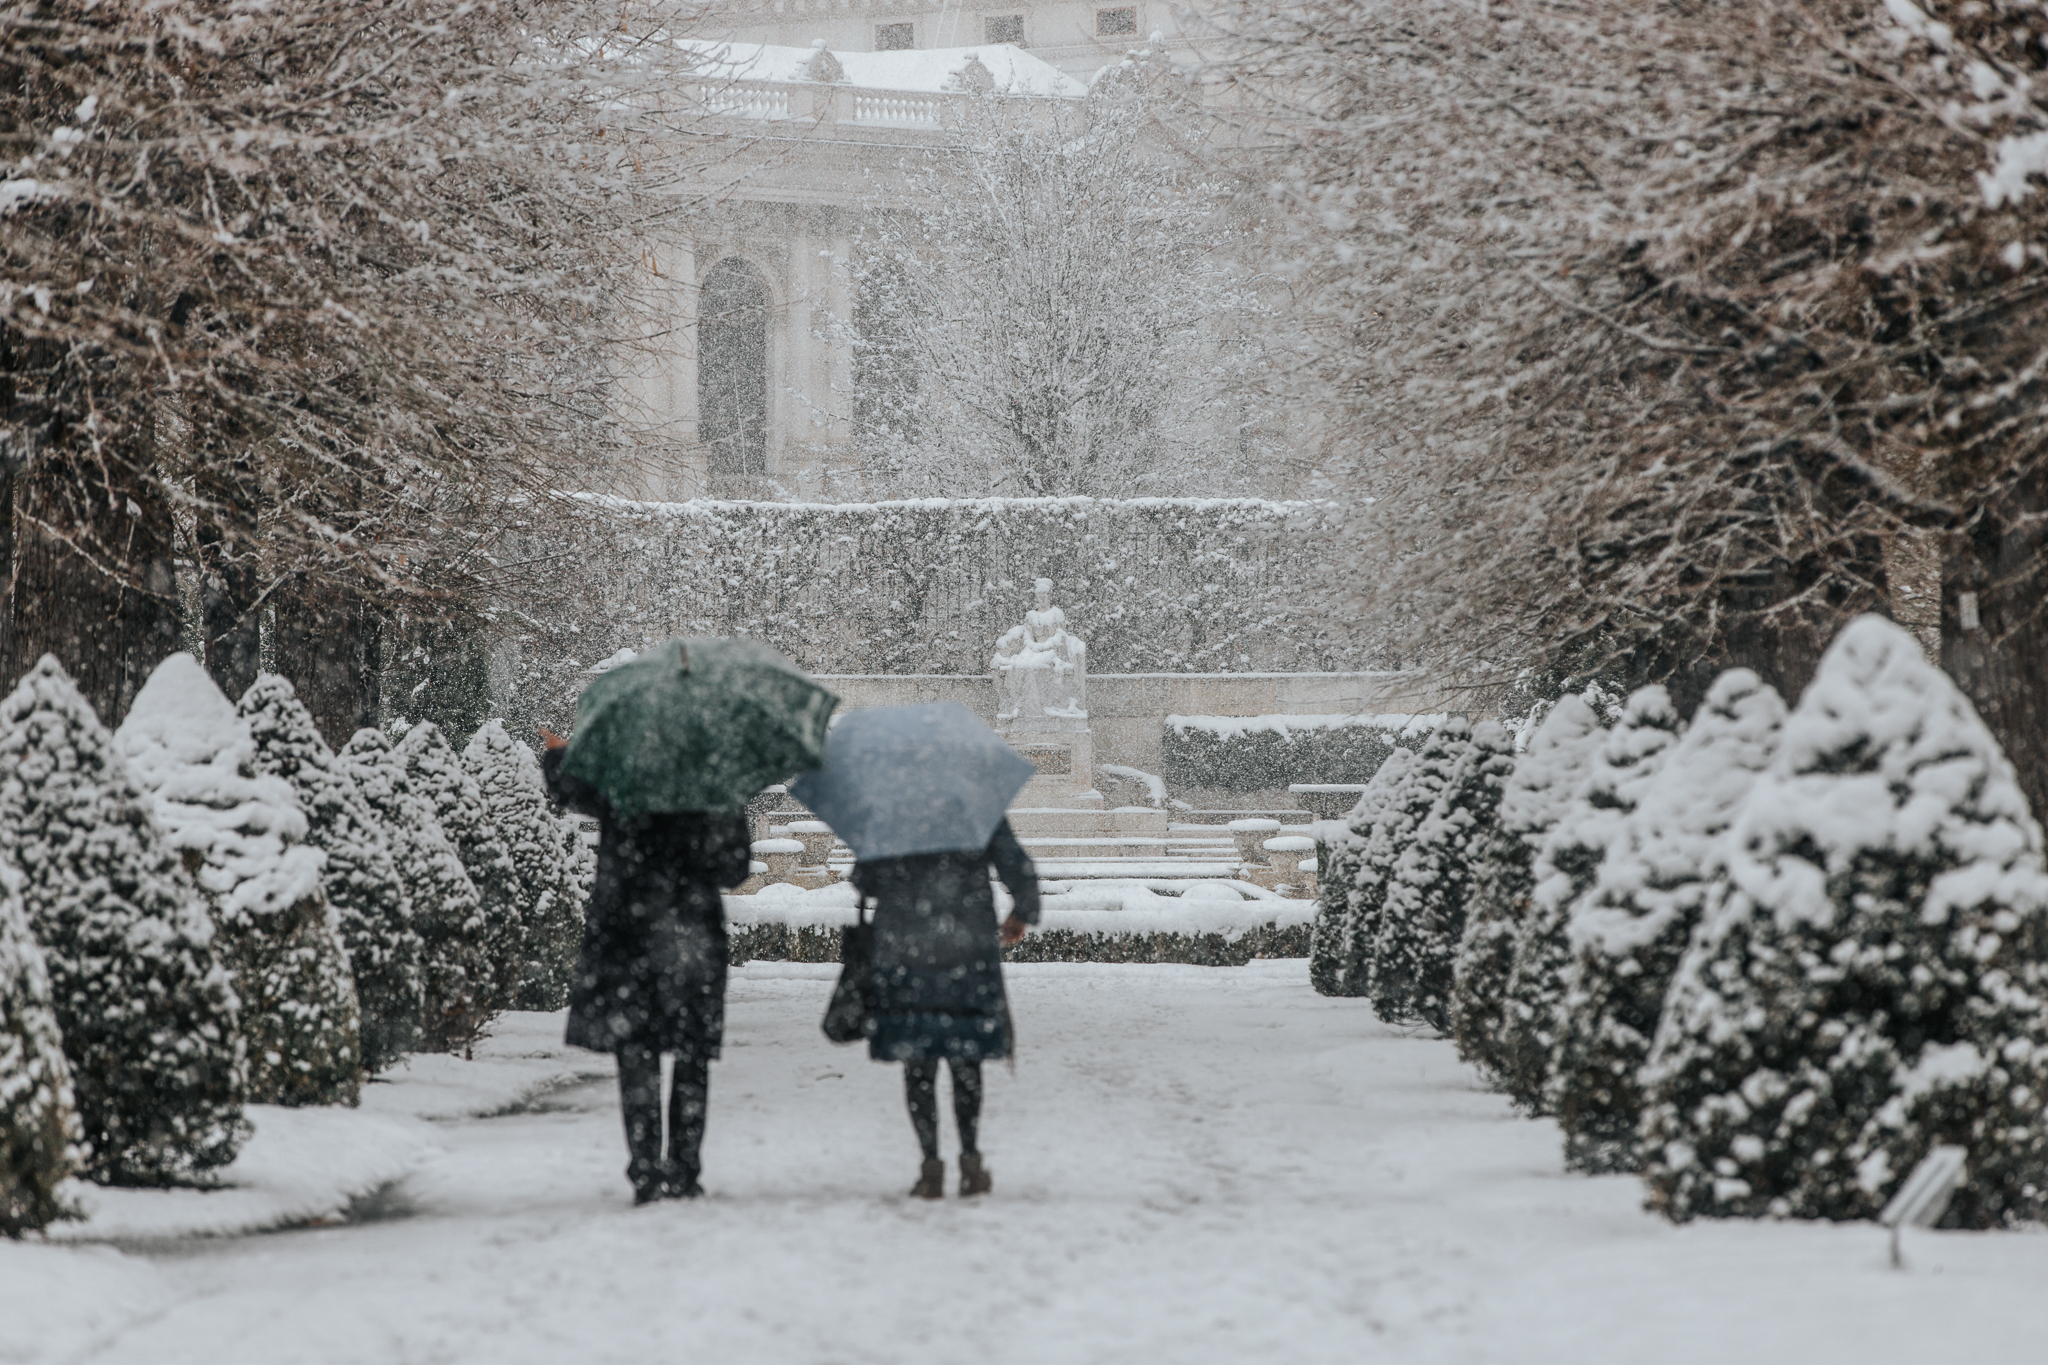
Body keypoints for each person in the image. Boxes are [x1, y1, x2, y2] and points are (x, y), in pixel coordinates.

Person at [539, 727, 751, 1205]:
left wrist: (558, 757)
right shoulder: (714, 787)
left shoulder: (621, 781)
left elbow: (570, 790)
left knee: (637, 1056)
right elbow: (735, 869)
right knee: (692, 1057)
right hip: (691, 940)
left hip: (627, 939)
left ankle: (645, 1169)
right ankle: (684, 1169)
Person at [850, 817, 1039, 1198]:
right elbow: (1016, 865)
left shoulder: (894, 813)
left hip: (908, 949)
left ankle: (930, 1164)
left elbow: (865, 881)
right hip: (965, 948)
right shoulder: (974, 807)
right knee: (965, 1056)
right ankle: (970, 1160)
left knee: (918, 1061)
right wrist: (1022, 911)